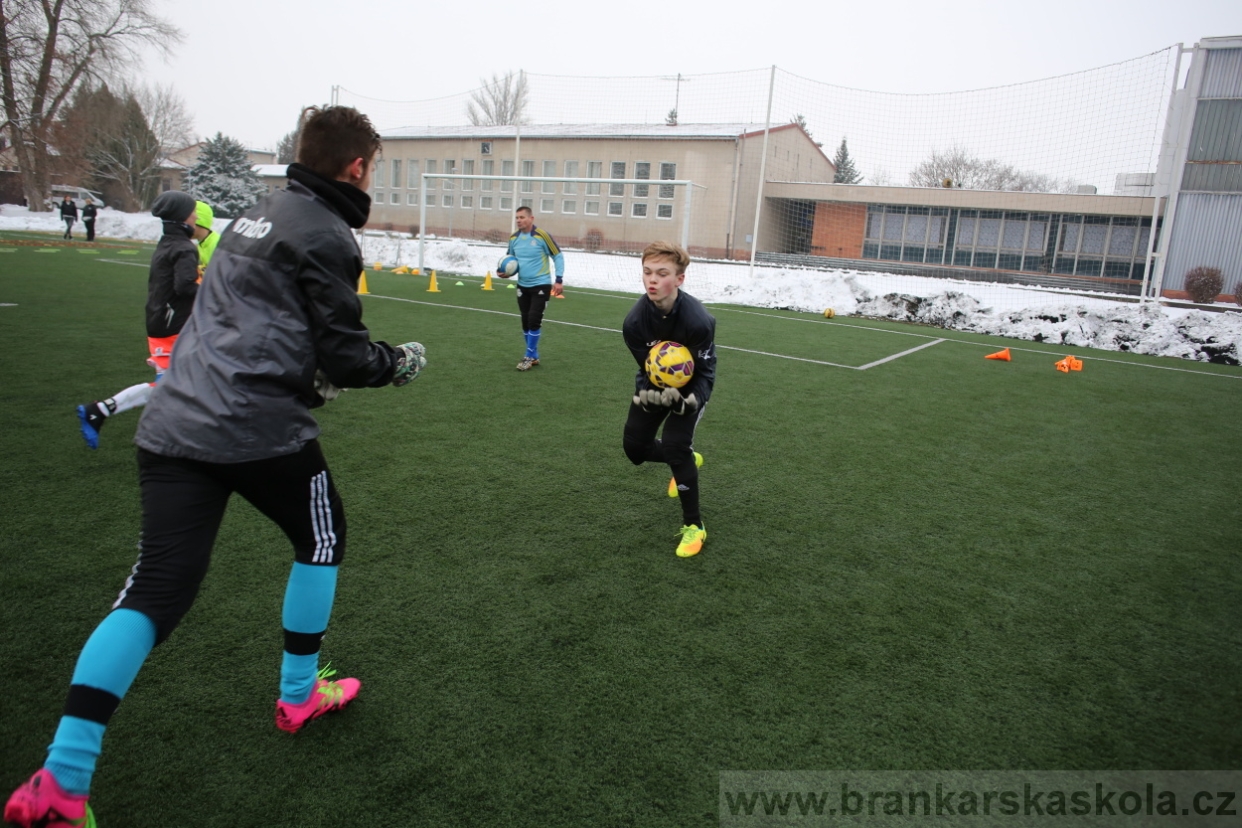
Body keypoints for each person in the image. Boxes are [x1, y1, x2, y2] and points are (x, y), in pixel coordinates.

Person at [5, 105, 427, 828]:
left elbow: (246, 321)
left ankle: (62, 779)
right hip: (255, 425)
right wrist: (398, 361)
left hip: (174, 420)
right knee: (322, 537)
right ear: (357, 167)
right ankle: (298, 694)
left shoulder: (249, 217)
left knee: (153, 590)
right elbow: (347, 357)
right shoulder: (327, 232)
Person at [75, 195, 204, 449]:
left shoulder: (167, 242)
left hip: (160, 320)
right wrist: (216, 289)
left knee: (176, 383)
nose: (196, 217)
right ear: (182, 217)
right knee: (182, 384)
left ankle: (102, 411)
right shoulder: (184, 247)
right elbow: (185, 286)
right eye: (193, 212)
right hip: (173, 326)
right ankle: (102, 411)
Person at [622, 241, 716, 558]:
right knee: (635, 450)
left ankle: (694, 526)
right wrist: (653, 396)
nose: (652, 280)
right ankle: (687, 460)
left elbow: (704, 371)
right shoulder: (634, 323)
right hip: (654, 384)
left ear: (679, 279)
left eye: (662, 274)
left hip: (694, 385)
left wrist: (692, 400)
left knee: (676, 445)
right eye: (647, 272)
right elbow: (650, 369)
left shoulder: (698, 321)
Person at [505, 205, 564, 370]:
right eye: (517, 218)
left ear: (531, 218)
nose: (519, 220)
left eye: (522, 217)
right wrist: (504, 272)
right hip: (522, 285)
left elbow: (558, 255)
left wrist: (559, 279)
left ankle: (529, 356)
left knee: (533, 319)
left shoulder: (542, 236)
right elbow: (510, 260)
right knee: (525, 321)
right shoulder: (513, 238)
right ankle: (534, 355)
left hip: (541, 284)